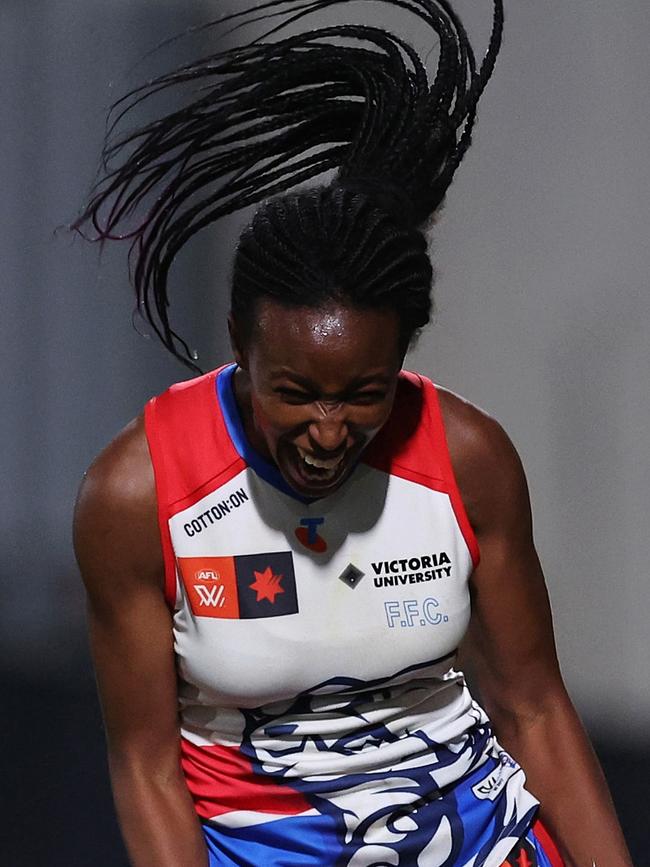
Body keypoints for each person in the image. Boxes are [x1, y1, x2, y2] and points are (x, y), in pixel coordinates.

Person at [73, 1, 633, 865]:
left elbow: (534, 708)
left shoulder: (469, 459)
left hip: (473, 836)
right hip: (263, 846)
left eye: (363, 395)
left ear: (402, 363)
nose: (328, 432)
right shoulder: (135, 493)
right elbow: (145, 764)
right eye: (294, 393)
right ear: (238, 346)